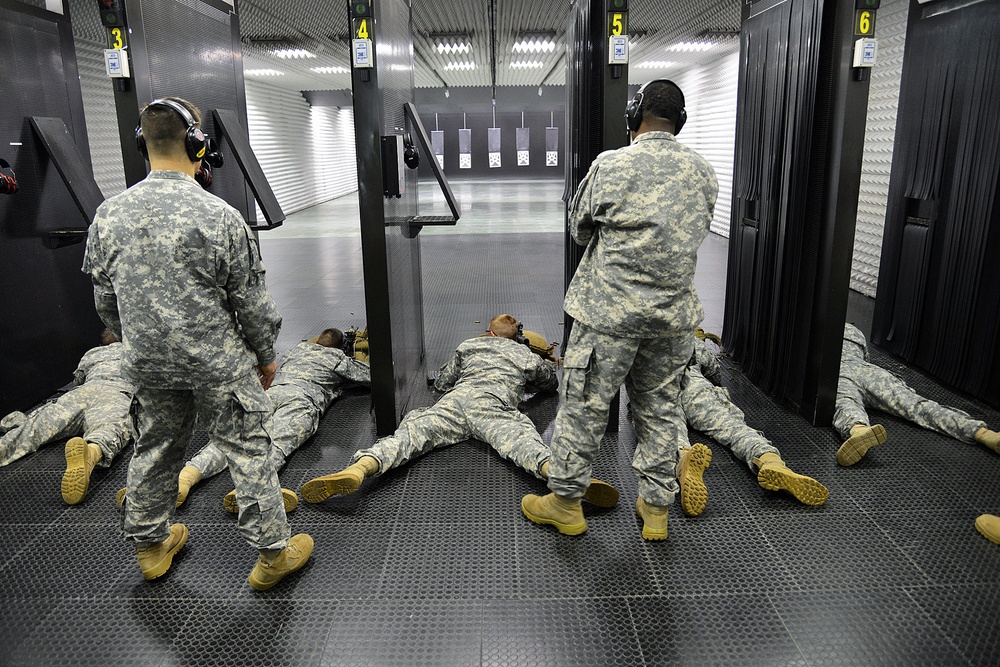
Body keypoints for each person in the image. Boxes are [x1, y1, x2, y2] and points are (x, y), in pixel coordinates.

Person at [83, 96, 311, 590]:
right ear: (198, 144)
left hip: (146, 361)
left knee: (155, 445)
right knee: (246, 449)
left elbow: (105, 301)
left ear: (141, 144)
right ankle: (273, 554)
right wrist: (266, 355)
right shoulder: (221, 216)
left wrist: (138, 345)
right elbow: (251, 303)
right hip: (216, 362)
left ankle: (150, 546)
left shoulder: (108, 216)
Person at [521, 79, 718, 541]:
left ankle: (566, 504)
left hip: (608, 317)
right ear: (680, 121)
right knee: (661, 410)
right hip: (671, 320)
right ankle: (655, 510)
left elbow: (579, 229)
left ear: (634, 117)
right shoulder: (703, 172)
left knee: (584, 407)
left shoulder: (611, 165)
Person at [299, 314, 619, 509]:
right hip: (494, 407)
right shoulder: (525, 356)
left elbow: (443, 381)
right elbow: (550, 384)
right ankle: (565, 479)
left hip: (455, 403)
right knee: (524, 444)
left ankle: (359, 469)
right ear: (515, 337)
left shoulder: (468, 346)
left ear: (489, 333)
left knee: (409, 435)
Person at [169, 328, 370, 510]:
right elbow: (370, 376)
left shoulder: (298, 350)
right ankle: (248, 490)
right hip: (301, 400)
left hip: (269, 395)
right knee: (278, 442)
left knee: (233, 437)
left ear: (317, 342)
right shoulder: (337, 359)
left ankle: (186, 478)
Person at [674, 336, 828, 516]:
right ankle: (770, 461)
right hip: (694, 385)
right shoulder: (687, 337)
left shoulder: (643, 335)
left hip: (658, 391)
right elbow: (714, 370)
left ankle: (684, 458)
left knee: (666, 434)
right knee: (734, 429)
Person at [833, 323, 1000, 466]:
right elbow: (865, 358)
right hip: (870, 373)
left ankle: (859, 430)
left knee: (846, 403)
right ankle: (984, 434)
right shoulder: (852, 330)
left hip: (837, 375)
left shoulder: (814, 331)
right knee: (917, 405)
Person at [0, 329, 133, 505]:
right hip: (116, 394)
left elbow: (79, 379)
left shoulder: (92, 353)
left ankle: (4, 447)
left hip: (83, 392)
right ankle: (90, 454)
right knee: (110, 429)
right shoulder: (135, 350)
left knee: (35, 427)